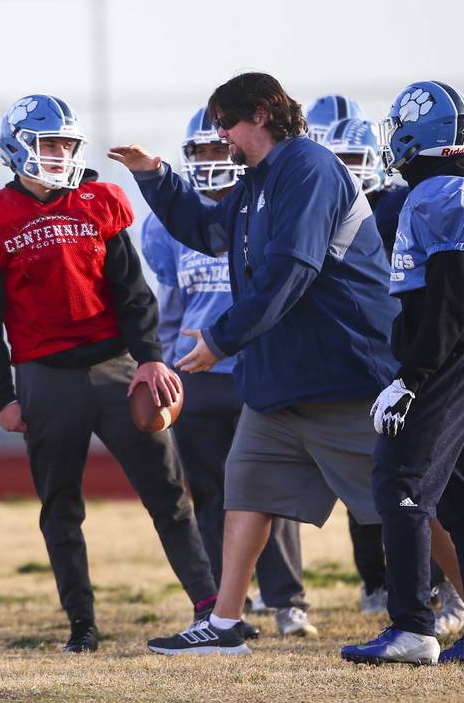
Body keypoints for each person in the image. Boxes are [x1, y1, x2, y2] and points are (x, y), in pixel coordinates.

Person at [109, 72, 399, 656]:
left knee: (401, 500)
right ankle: (224, 624)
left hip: (341, 374)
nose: (221, 136)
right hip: (283, 378)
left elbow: (291, 269)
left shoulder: (309, 169)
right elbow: (209, 231)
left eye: (226, 122)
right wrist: (154, 176)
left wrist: (221, 338)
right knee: (244, 489)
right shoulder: (259, 179)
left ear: (260, 116)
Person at [0, 94, 218, 655]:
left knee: (169, 492)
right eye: (49, 144)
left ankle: (210, 608)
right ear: (18, 147)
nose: (58, 154)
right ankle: (82, 624)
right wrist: (1, 394)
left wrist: (148, 356)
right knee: (61, 507)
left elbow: (133, 292)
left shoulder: (99, 201)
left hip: (118, 369)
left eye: (66, 145)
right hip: (45, 379)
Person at [342, 80, 464, 669]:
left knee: (399, 482)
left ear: (421, 132)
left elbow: (447, 291)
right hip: (462, 352)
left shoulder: (442, 189)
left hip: (450, 354)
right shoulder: (452, 186)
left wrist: (412, 376)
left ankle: (413, 627)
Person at [141, 107, 312, 638]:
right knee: (212, 492)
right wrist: (167, 373)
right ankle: (226, 604)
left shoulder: (263, 210)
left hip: (256, 369)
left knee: (269, 488)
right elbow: (170, 308)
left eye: (220, 148)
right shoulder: (167, 226)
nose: (213, 160)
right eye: (203, 151)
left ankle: (288, 600)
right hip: (196, 376)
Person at [322, 117, 391, 615]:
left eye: (355, 159)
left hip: (393, 355)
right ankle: (375, 583)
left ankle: (450, 587)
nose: (348, 170)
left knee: (408, 482)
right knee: (361, 488)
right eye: (339, 161)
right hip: (348, 360)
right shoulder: (323, 208)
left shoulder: (396, 206)